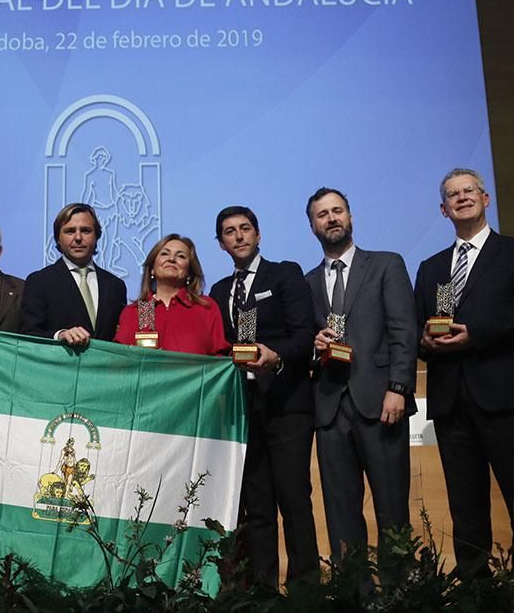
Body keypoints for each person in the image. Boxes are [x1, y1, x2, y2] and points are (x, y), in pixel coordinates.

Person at [414, 168, 514, 578]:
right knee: (466, 510)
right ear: (443, 210)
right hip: (451, 404)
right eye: (452, 194)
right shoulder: (431, 268)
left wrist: (476, 335)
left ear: (486, 199)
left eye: (469, 191)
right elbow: (416, 327)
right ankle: (474, 593)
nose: (461, 197)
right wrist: (425, 341)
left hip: (507, 399)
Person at [304, 188, 416, 567]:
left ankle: (399, 594)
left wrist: (399, 388)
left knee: (392, 509)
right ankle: (355, 593)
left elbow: (403, 330)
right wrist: (313, 346)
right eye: (322, 214)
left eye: (337, 211)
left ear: (351, 217)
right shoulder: (306, 282)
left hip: (381, 403)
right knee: (340, 513)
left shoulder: (386, 264)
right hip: (331, 409)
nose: (331, 218)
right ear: (312, 226)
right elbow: (304, 344)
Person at [209, 206, 317, 588]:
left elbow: (305, 334)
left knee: (293, 499)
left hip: (287, 403)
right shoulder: (220, 291)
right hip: (243, 409)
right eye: (229, 231)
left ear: (258, 234)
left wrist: (277, 355)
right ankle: (262, 590)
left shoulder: (285, 273)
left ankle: (305, 590)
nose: (238, 236)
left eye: (245, 229)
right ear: (220, 243)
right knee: (257, 505)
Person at [20, 203, 127, 344]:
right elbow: (28, 333)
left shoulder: (116, 285)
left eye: (86, 231)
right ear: (58, 238)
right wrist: (60, 335)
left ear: (97, 236)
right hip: (61, 364)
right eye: (70, 231)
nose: (78, 237)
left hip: (104, 365)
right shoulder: (40, 281)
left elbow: (128, 337)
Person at [113, 233, 230, 355]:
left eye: (181, 256)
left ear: (189, 272)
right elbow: (120, 361)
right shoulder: (135, 311)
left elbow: (220, 360)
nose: (171, 259)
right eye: (164, 254)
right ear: (152, 268)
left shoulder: (206, 307)